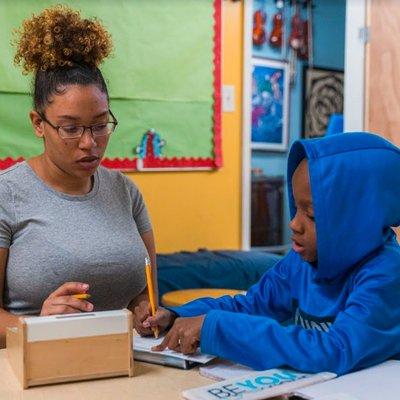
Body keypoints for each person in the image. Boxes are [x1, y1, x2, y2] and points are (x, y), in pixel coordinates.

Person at [135, 132, 400, 375]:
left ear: (358, 220)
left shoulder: (386, 274)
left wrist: (220, 328)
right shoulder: (299, 263)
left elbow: (336, 349)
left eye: (311, 215)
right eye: (295, 208)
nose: (293, 224)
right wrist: (177, 316)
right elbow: (251, 305)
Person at [0, 5, 157, 347]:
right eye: (70, 128)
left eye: (100, 125)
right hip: (37, 369)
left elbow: (145, 292)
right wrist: (37, 324)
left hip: (123, 362)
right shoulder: (7, 195)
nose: (89, 143)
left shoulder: (125, 193)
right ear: (38, 124)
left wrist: (145, 309)